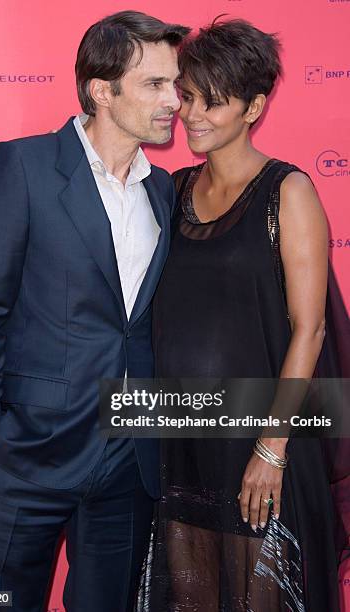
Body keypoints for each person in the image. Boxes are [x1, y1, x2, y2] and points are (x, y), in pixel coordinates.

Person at [0, 11, 190, 612]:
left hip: (127, 460)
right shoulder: (21, 167)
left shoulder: (162, 190)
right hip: (27, 454)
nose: (175, 102)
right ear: (101, 91)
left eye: (176, 85)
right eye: (156, 85)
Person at [140, 18, 350, 612]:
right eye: (188, 97)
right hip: (184, 439)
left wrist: (272, 449)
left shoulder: (289, 191)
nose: (193, 115)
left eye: (215, 101)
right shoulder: (172, 190)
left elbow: (310, 329)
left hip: (265, 443)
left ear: (255, 106)